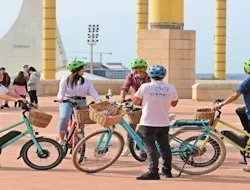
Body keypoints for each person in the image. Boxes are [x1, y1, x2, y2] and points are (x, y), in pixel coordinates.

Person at [132, 65, 178, 180]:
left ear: (150, 75)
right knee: (165, 147)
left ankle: (153, 172)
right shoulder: (171, 88)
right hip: (163, 122)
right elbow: (174, 103)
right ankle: (167, 171)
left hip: (148, 122)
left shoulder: (145, 87)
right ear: (163, 75)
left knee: (150, 147)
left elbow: (135, 100)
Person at [213, 59, 250, 173]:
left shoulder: (247, 81)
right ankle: (247, 134)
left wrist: (221, 104)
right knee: (240, 110)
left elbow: (235, 96)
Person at [57, 60, 101, 145]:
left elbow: (92, 91)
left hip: (81, 102)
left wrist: (98, 99)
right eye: (82, 68)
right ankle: (61, 139)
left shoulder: (87, 81)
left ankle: (80, 148)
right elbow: (61, 92)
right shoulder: (65, 81)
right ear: (76, 70)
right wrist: (60, 98)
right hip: (67, 101)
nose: (84, 70)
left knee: (81, 123)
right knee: (64, 118)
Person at [120, 58, 151, 156]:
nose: (138, 71)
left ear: (145, 68)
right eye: (135, 69)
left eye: (141, 68)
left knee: (146, 127)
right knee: (131, 126)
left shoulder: (150, 77)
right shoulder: (131, 76)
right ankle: (129, 147)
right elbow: (125, 87)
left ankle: (144, 147)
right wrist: (122, 97)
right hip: (135, 104)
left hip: (148, 105)